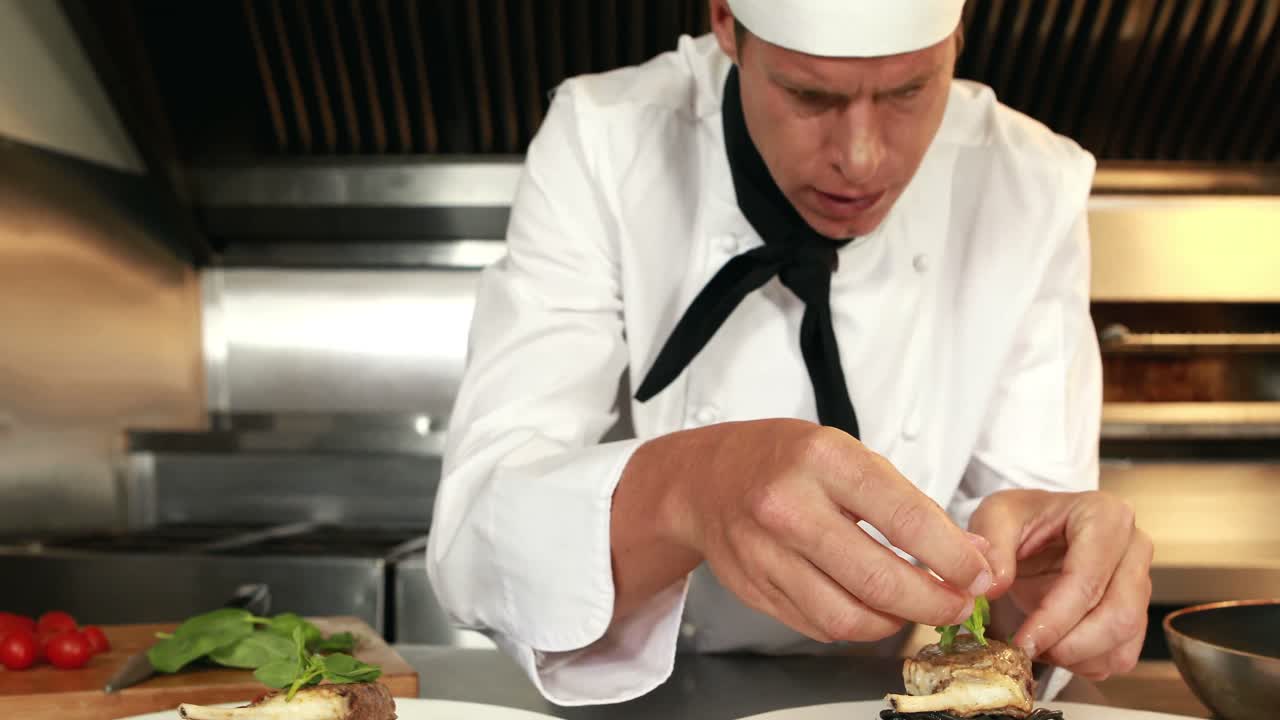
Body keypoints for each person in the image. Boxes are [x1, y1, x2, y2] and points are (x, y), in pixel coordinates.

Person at [426, 0, 1153, 706]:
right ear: (725, 24)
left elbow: (1022, 578)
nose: (862, 159)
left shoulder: (1026, 181)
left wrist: (1049, 584)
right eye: (810, 94)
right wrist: (693, 488)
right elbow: (476, 543)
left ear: (958, 40)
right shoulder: (607, 140)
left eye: (908, 89)